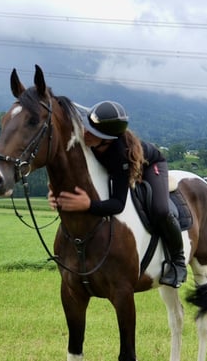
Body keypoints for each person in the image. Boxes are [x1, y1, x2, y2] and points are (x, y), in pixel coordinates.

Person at [48, 101, 187, 288]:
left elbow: (118, 204)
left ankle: (178, 262)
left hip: (151, 164)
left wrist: (88, 205)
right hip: (116, 164)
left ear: (107, 139)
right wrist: (54, 191)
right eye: (86, 127)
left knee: (160, 209)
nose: (85, 132)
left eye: (92, 132)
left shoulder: (120, 154)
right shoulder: (88, 131)